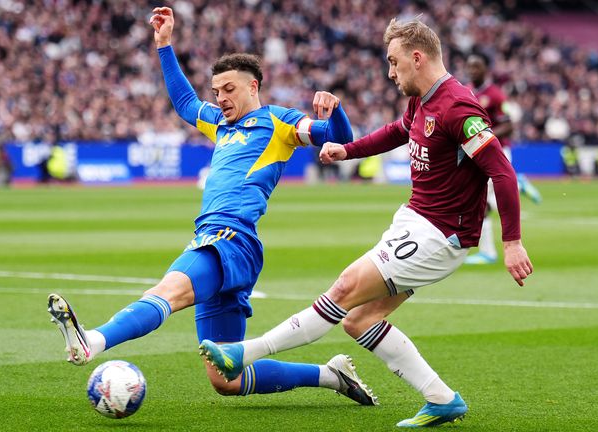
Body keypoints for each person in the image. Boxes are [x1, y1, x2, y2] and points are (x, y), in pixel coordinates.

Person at [200, 17, 533, 428]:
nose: (390, 73)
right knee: (360, 320)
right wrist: (348, 151)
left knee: (344, 289)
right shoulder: (423, 99)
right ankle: (442, 399)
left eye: (394, 63)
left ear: (417, 57)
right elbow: (398, 131)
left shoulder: (458, 107)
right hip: (415, 220)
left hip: (440, 235)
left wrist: (512, 241)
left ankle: (244, 353)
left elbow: (502, 171)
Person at [47, 6, 377, 406]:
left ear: (254, 86)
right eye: (217, 91)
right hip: (226, 244)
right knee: (226, 378)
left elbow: (339, 139)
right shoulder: (220, 123)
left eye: (229, 90)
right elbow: (186, 103)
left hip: (229, 237)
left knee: (169, 290)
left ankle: (94, 340)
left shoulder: (280, 122)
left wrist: (336, 110)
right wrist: (165, 45)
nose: (220, 98)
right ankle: (330, 375)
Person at [464, 52, 541, 265]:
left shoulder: (496, 95)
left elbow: (508, 126)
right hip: (476, 152)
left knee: (481, 201)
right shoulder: (465, 91)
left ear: (486, 69)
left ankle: (488, 252)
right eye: (470, 66)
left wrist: (484, 137)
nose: (472, 70)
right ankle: (518, 184)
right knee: (487, 200)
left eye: (476, 66)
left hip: (495, 151)